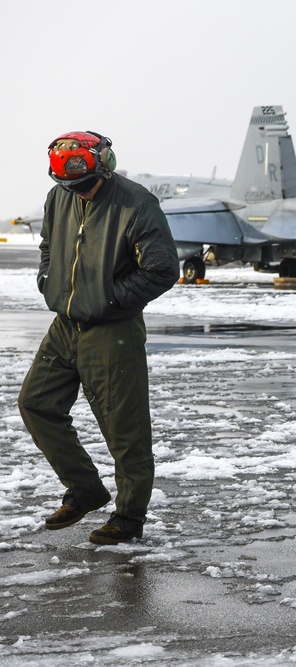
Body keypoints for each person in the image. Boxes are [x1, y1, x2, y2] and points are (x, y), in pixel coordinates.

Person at [18, 131, 179, 545]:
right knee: (36, 403)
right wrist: (48, 279)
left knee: (123, 428)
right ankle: (86, 488)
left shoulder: (136, 203)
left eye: (85, 183)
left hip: (113, 328)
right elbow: (49, 246)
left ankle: (128, 518)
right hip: (65, 324)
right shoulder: (60, 198)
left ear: (103, 166)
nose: (80, 191)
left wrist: (108, 301)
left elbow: (162, 270)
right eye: (70, 184)